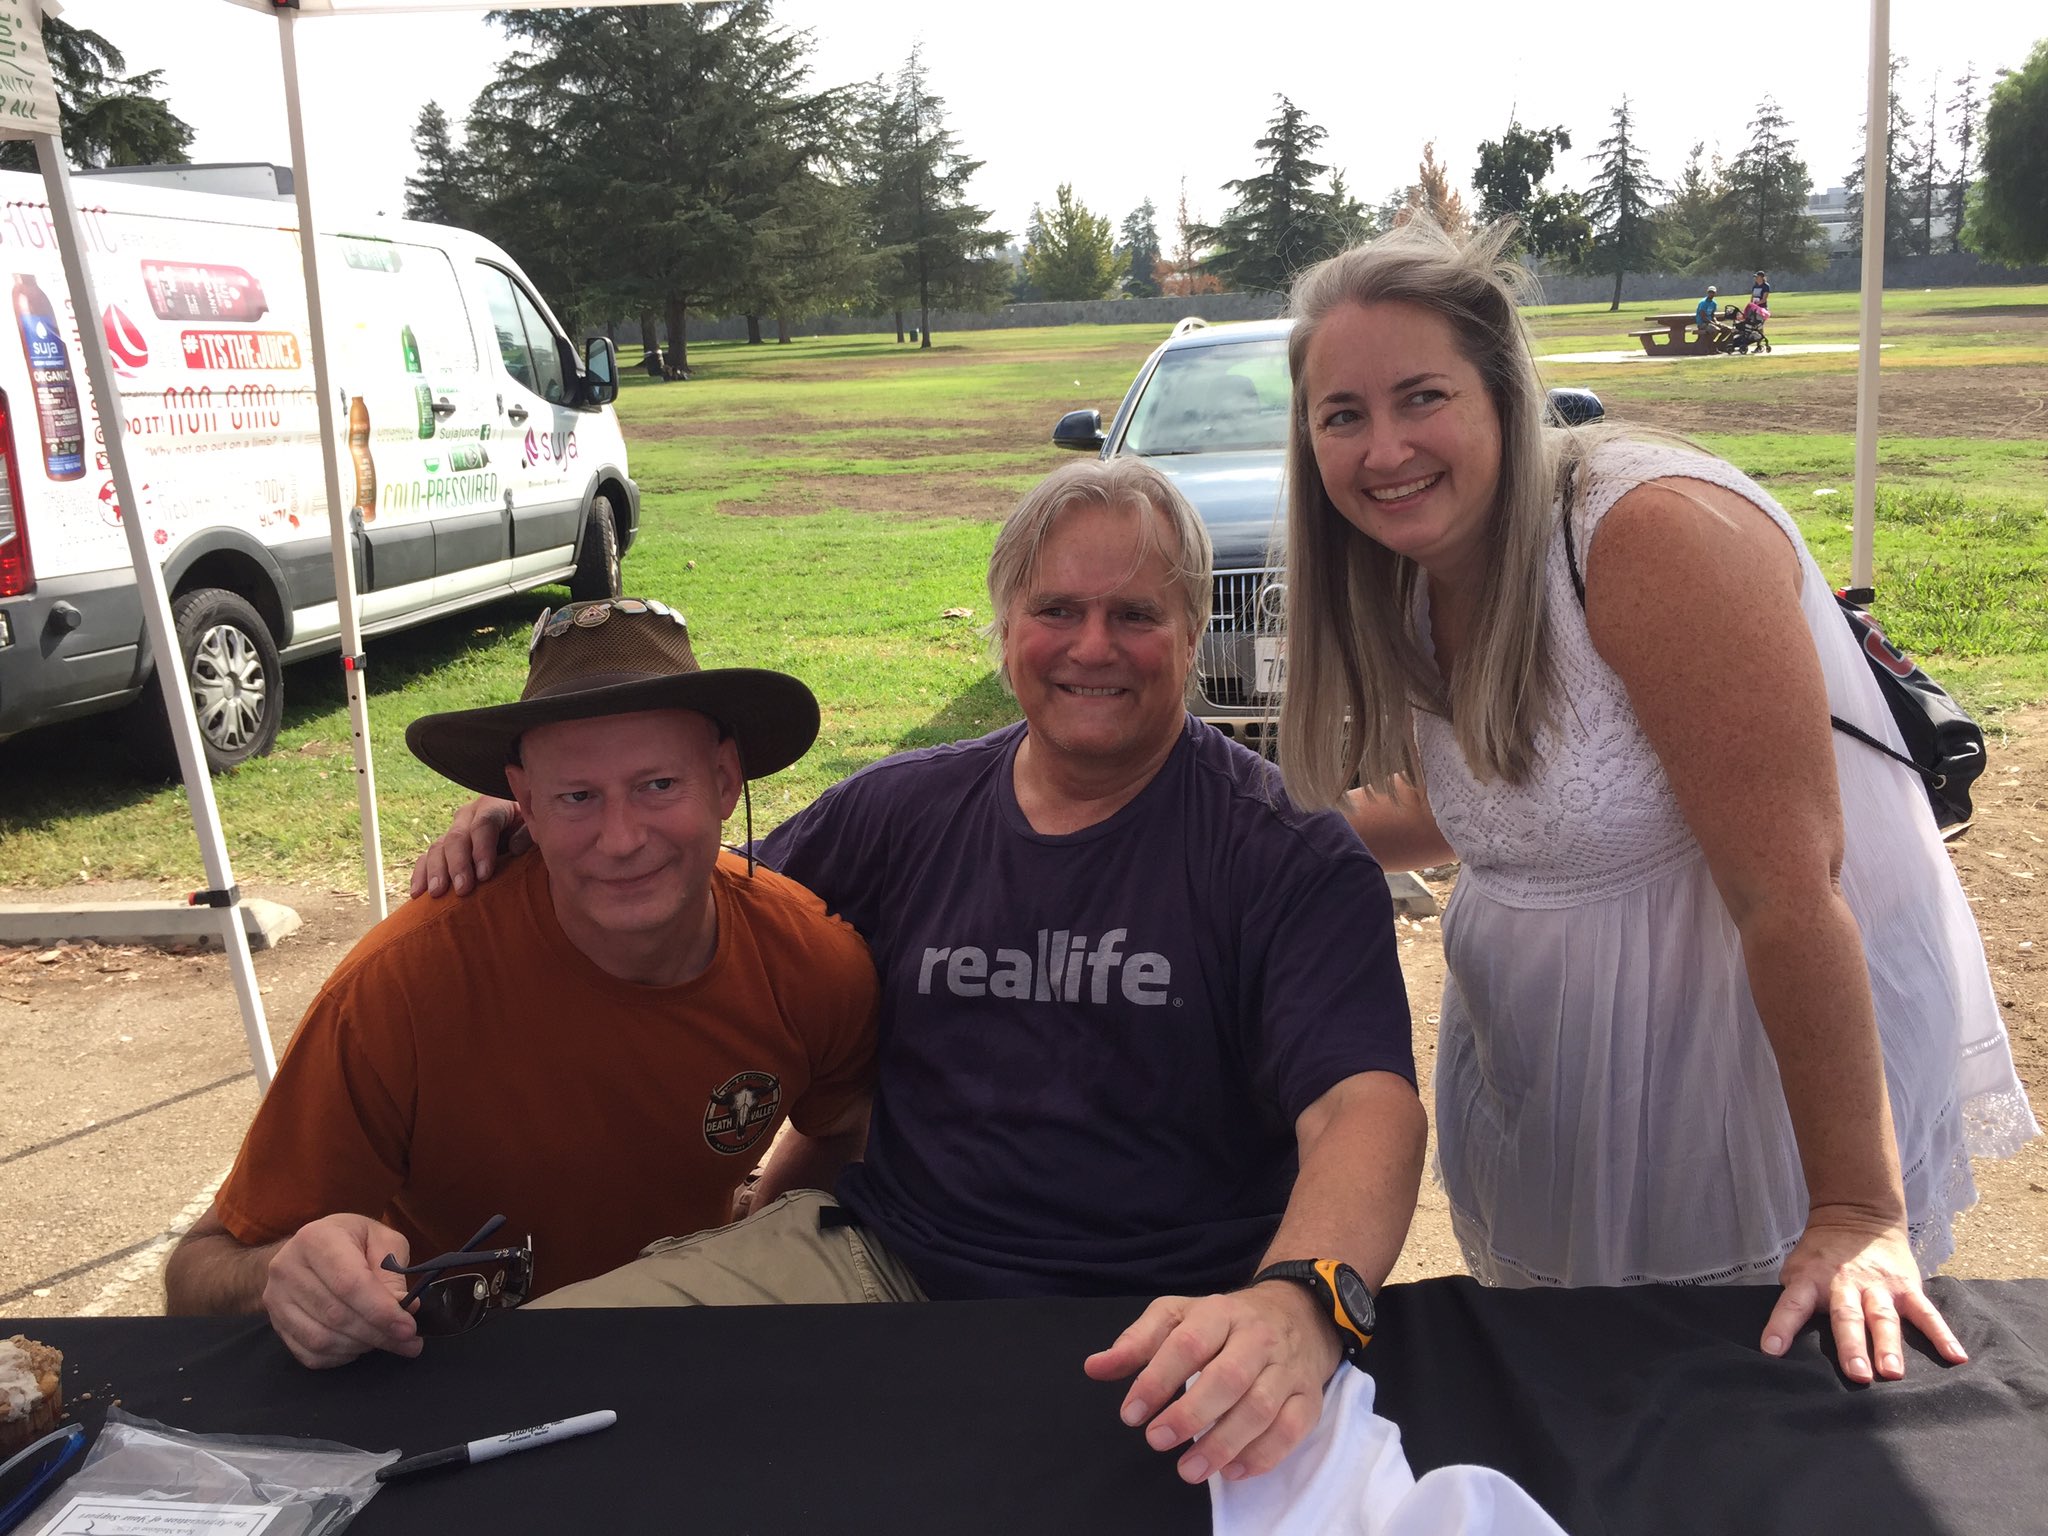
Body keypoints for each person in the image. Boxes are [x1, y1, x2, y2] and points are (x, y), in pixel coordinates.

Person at [414, 458, 1427, 1487]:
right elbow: (692, 903)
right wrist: (550, 824)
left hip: (1167, 1312)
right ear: (1002, 626)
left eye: (1134, 614)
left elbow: (1361, 1107)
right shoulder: (900, 812)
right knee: (531, 1377)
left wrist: (1301, 1299)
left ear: (1194, 630)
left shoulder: (1283, 853)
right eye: (1056, 610)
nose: (1091, 647)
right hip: (879, 1264)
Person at [1273, 219, 2037, 1385]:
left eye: (1419, 397)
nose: (1383, 449)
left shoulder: (1638, 535)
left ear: (1502, 392)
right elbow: (1490, 805)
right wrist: (1230, 837)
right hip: (1556, 1095)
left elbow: (1787, 892)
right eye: (1343, 415)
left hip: (1729, 1104)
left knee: (1745, 1438)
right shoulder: (1414, 575)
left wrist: (1850, 1210)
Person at [164, 599, 879, 1369]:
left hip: (679, 1349)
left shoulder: (811, 962)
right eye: (577, 796)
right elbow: (196, 1272)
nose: (623, 839)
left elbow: (841, 1127)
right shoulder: (401, 989)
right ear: (523, 801)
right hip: (450, 1365)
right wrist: (288, 1276)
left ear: (725, 781)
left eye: (658, 784)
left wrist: (755, 1237)